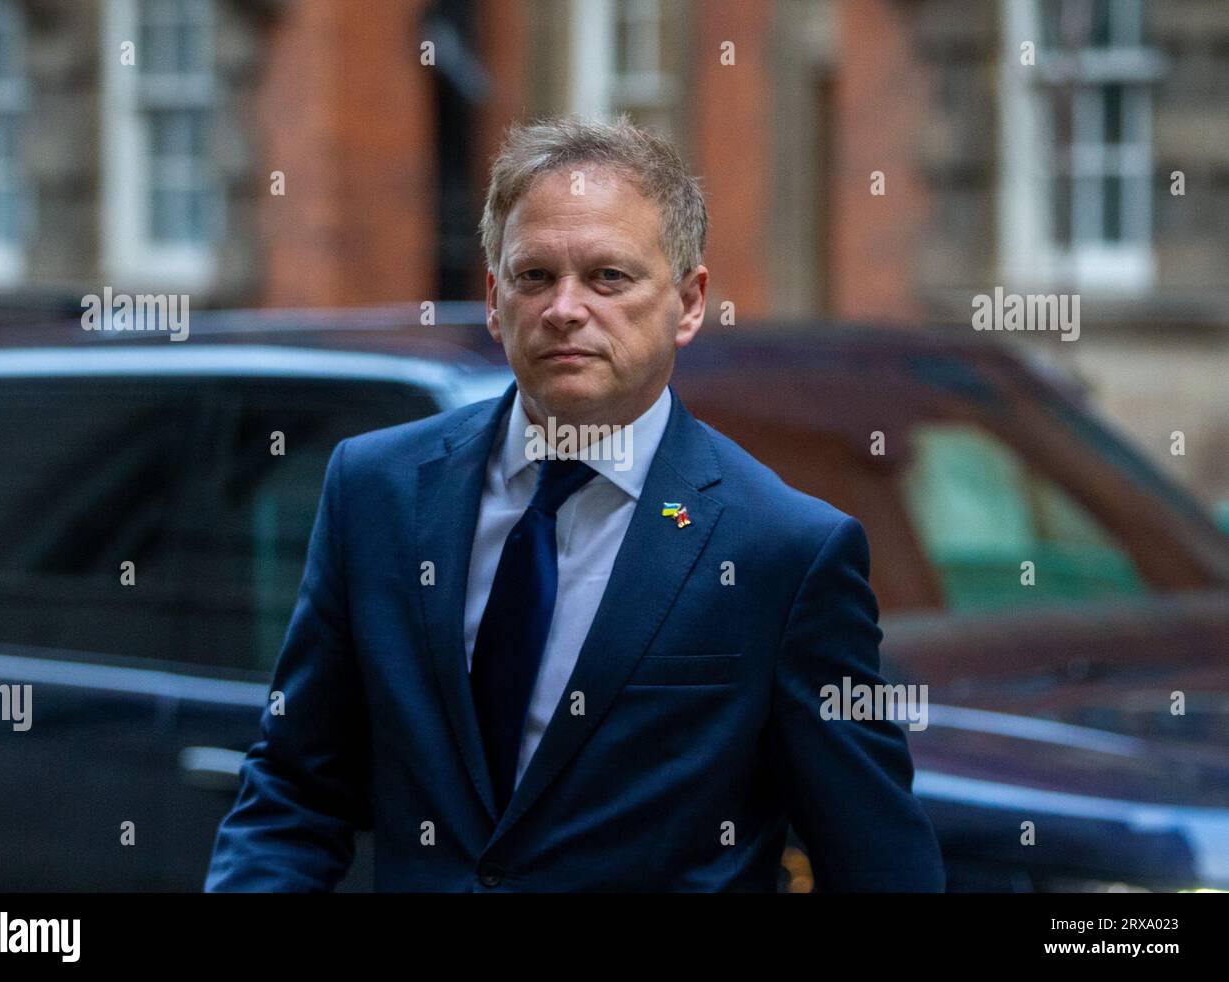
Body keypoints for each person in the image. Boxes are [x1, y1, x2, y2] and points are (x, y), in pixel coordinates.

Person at [205, 114, 945, 892]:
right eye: (534, 277)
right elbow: (295, 788)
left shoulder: (783, 549)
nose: (565, 308)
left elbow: (879, 860)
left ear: (689, 303)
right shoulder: (376, 491)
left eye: (608, 277)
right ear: (494, 300)